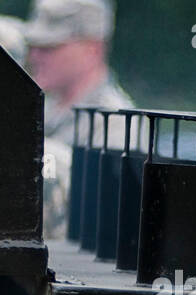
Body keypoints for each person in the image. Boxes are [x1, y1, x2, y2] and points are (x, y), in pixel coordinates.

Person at [24, 0, 131, 241]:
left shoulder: (117, 123)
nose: (35, 56)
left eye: (50, 47)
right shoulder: (44, 108)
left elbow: (104, 218)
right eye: (33, 46)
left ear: (92, 49)